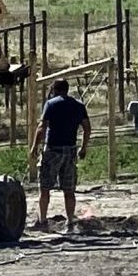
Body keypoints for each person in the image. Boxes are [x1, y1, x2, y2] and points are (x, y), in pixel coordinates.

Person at [30, 76, 90, 229]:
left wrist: (34, 146)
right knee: (69, 189)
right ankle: (70, 221)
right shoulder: (78, 105)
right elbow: (87, 127)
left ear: (54, 90)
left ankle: (42, 220)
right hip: (70, 150)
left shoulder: (50, 104)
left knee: (44, 188)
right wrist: (83, 147)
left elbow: (42, 127)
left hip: (52, 150)